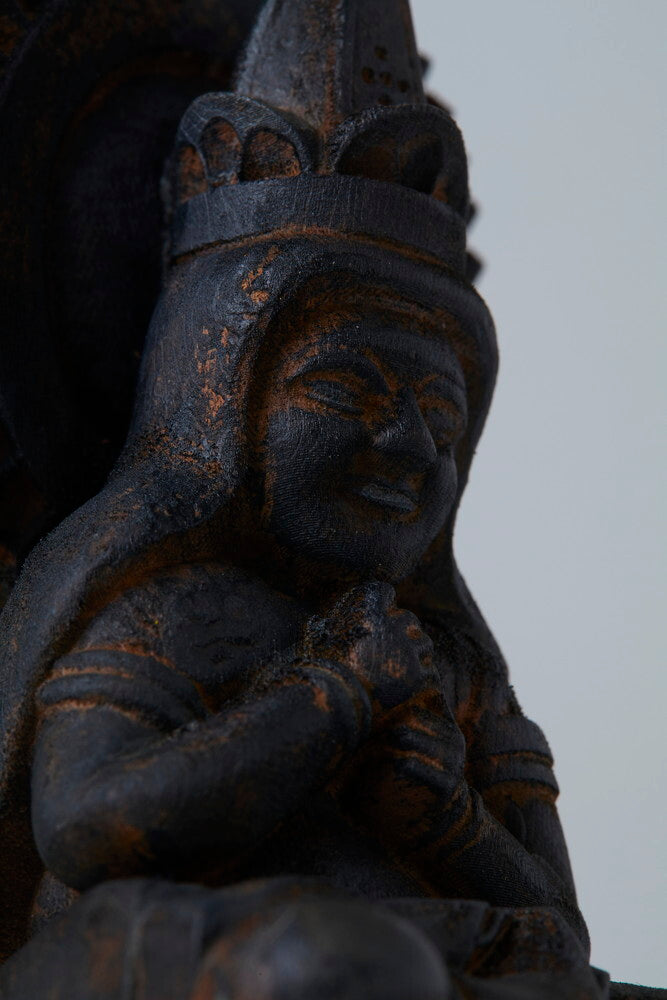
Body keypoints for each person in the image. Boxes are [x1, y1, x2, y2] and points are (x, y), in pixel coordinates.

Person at [0, 1, 608, 995]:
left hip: (425, 941)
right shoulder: (177, 611)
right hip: (184, 948)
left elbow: (559, 926)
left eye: (441, 417)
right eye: (341, 391)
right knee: (329, 964)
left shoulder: (452, 668)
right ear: (223, 414)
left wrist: (445, 822)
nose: (408, 444)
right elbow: (84, 825)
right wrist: (331, 701)